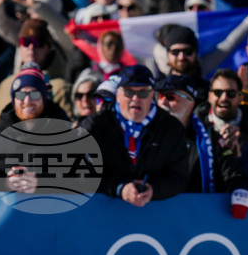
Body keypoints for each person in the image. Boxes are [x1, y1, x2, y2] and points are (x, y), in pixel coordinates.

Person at [80, 65, 190, 206]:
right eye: (129, 92)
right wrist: (119, 188)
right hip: (102, 211)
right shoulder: (93, 127)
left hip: (153, 213)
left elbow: (179, 177)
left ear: (152, 95)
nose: (136, 98)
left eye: (143, 93)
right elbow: (80, 174)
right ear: (118, 95)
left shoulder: (171, 128)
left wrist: (154, 189)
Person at [0, 68, 69, 191]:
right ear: (13, 100)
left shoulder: (63, 135)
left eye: (35, 94)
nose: (27, 101)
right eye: (20, 95)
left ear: (44, 98)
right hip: (5, 203)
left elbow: (81, 178)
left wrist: (41, 182)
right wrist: (4, 184)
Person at [0, 18, 72, 119]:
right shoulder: (6, 85)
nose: (31, 47)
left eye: (38, 43)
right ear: (19, 47)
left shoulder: (59, 86)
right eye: (25, 42)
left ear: (48, 47)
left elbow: (66, 125)